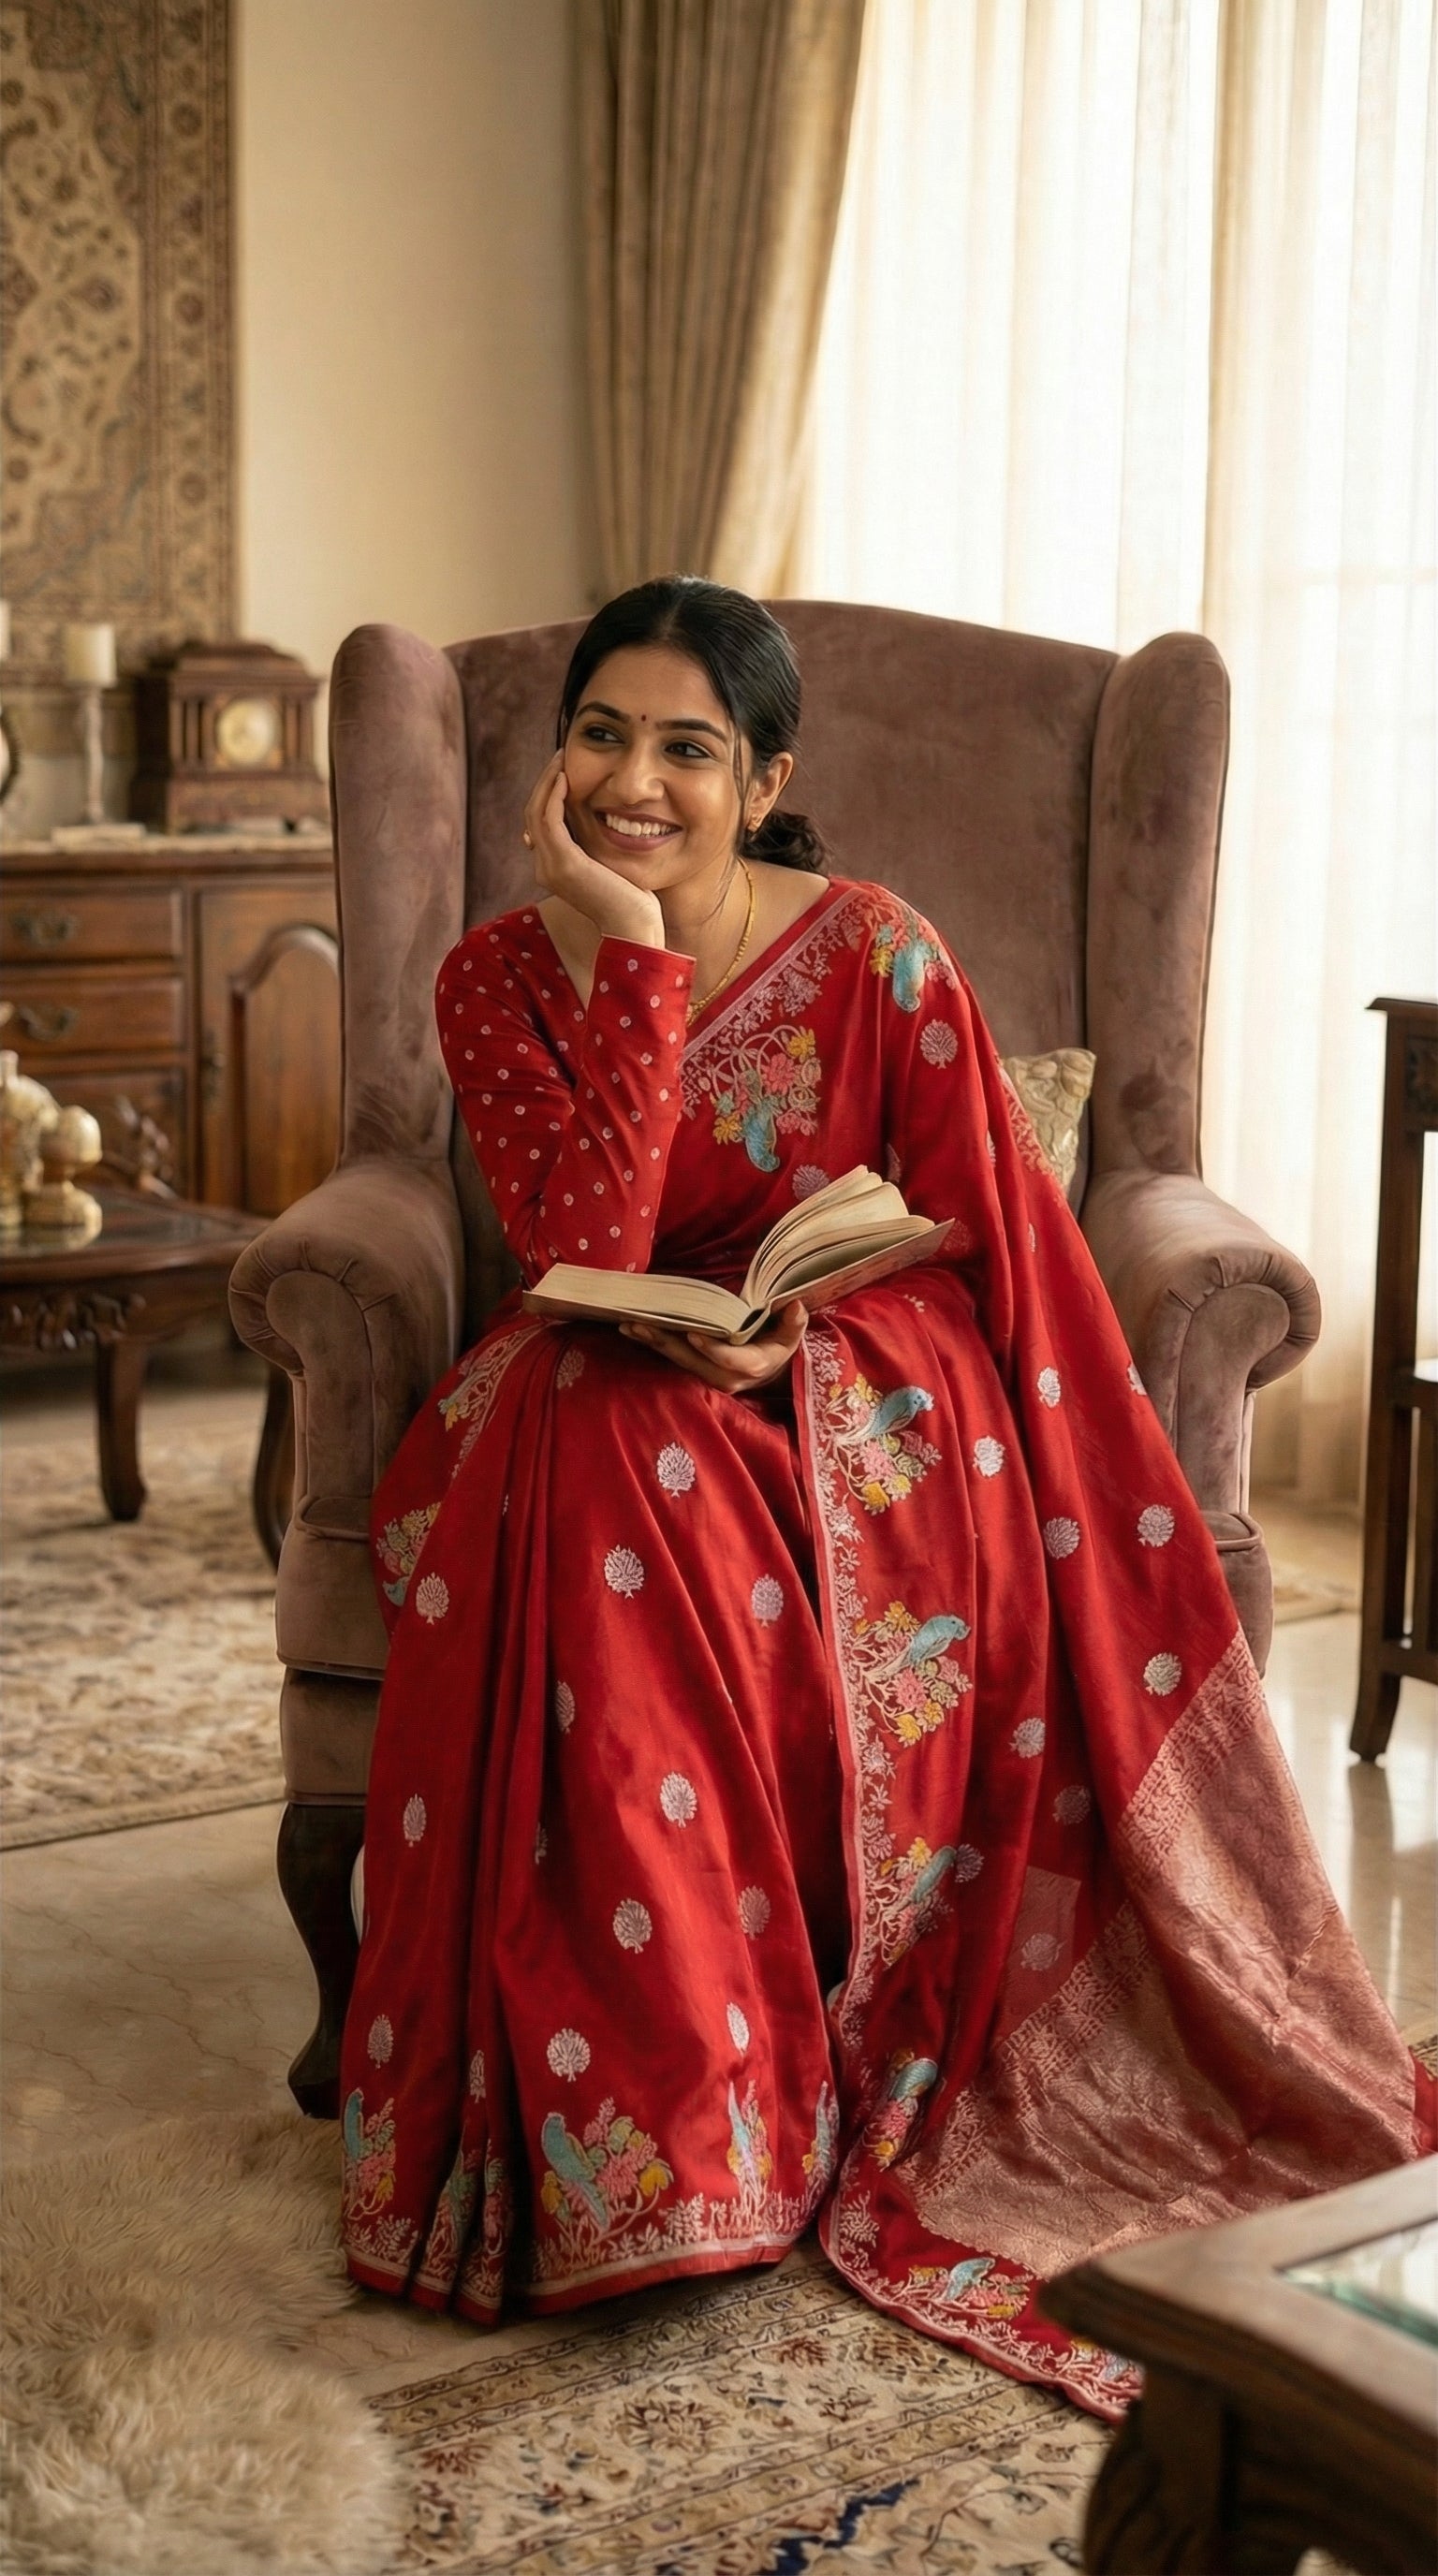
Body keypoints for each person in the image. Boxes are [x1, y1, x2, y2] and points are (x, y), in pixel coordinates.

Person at [340, 578, 1433, 2418]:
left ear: (764, 781)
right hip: (599, 1381)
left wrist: (805, 1342)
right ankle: (677, 2130)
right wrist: (629, 942)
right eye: (601, 734)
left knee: (633, 1452)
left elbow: (976, 1250)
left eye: (688, 749)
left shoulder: (879, 956)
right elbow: (583, 1241)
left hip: (856, 1403)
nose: (633, 781)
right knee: (602, 1429)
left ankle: (712, 2117)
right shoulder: (498, 975)